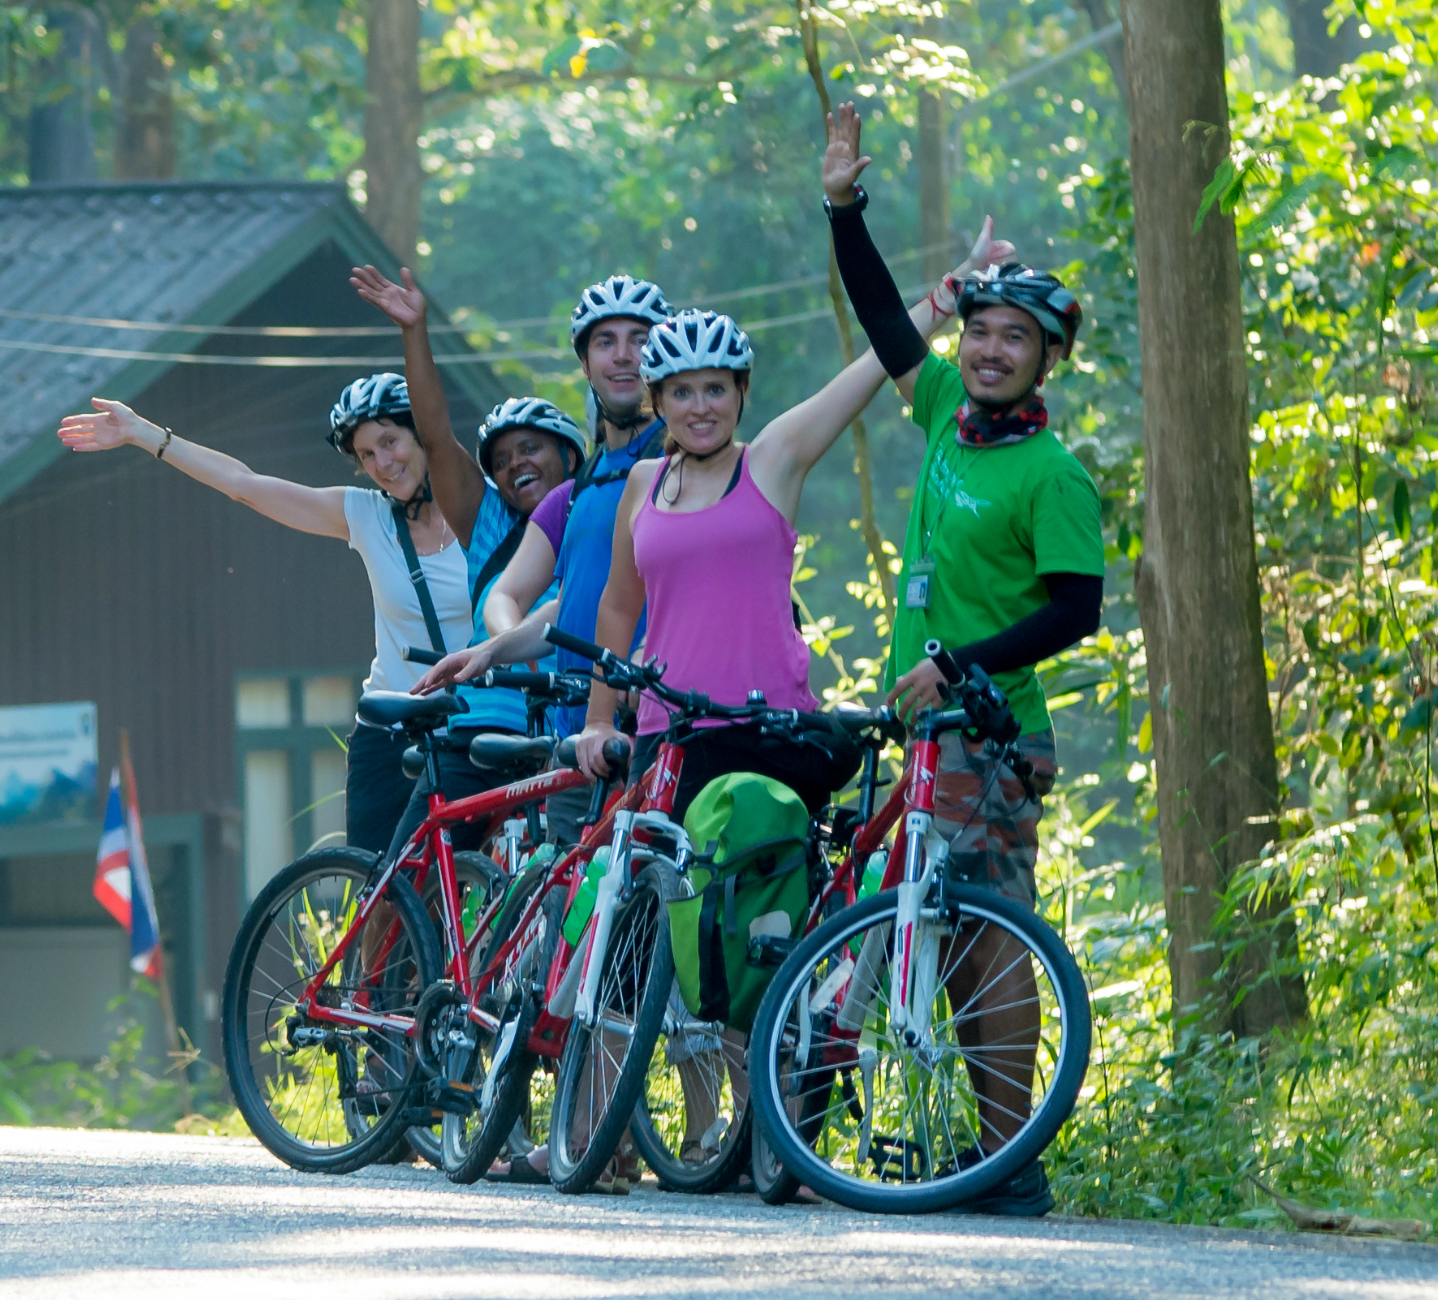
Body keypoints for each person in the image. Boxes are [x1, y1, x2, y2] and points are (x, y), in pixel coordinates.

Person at [824, 101, 1104, 1217]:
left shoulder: (1054, 474)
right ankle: (975, 1156)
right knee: (931, 935)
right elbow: (884, 314)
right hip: (927, 723)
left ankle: (1009, 1162)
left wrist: (960, 664)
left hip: (992, 727)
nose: (988, 349)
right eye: (979, 328)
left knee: (988, 941)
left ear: (1047, 361)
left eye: (1014, 338)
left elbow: (1075, 610)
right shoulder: (942, 409)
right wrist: (844, 203)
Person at [55, 375, 475, 857]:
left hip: (472, 726)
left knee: (478, 887)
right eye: (366, 454)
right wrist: (142, 433)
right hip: (390, 733)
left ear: (421, 434)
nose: (383, 463)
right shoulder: (365, 514)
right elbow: (244, 485)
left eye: (389, 442)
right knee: (385, 898)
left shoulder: (482, 508)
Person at [413, 275, 675, 844]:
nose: (625, 355)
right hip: (577, 739)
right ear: (585, 363)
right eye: (606, 342)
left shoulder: (686, 464)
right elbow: (553, 602)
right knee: (567, 921)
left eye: (640, 338)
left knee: (657, 917)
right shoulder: (576, 493)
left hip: (659, 730)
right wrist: (491, 651)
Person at [350, 266, 587, 861]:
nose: (515, 464)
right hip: (481, 730)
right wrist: (415, 331)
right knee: (401, 875)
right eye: (502, 459)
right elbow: (433, 435)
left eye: (530, 448)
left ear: (569, 455)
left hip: (565, 730)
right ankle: (373, 957)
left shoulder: (603, 517)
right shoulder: (487, 522)